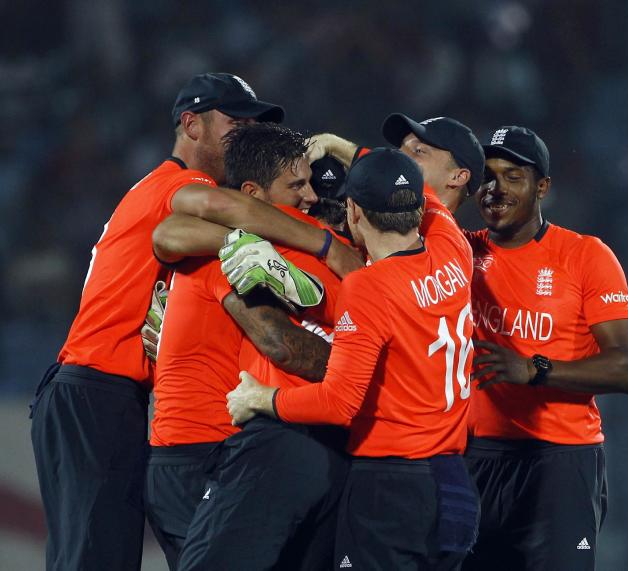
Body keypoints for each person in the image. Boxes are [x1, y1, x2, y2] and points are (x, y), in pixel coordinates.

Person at [28, 71, 347, 571]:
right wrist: (323, 244)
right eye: (233, 120)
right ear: (190, 123)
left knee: (99, 555)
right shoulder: (181, 182)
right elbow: (217, 208)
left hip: (105, 390)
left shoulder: (164, 192)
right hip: (98, 388)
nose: (243, 131)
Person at [226, 148, 480, 570]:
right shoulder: (453, 250)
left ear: (354, 211)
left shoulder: (368, 288)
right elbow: (432, 201)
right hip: (454, 484)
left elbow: (339, 403)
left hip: (391, 488)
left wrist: (262, 398)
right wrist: (355, 150)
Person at [146, 122, 348, 569]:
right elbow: (280, 344)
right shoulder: (233, 251)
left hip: (215, 449)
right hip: (200, 451)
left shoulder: (257, 243)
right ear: (253, 195)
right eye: (298, 186)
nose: (311, 200)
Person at [462, 126, 628, 571]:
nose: (495, 189)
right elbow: (403, 198)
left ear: (542, 186)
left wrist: (535, 369)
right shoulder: (459, 253)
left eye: (512, 176)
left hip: (560, 460)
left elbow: (627, 369)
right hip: (474, 458)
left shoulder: (585, 256)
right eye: (487, 177)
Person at [306, 112, 485, 213]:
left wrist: (333, 143)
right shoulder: (381, 217)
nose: (398, 159)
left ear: (458, 177)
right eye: (400, 151)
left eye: (418, 151)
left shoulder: (447, 245)